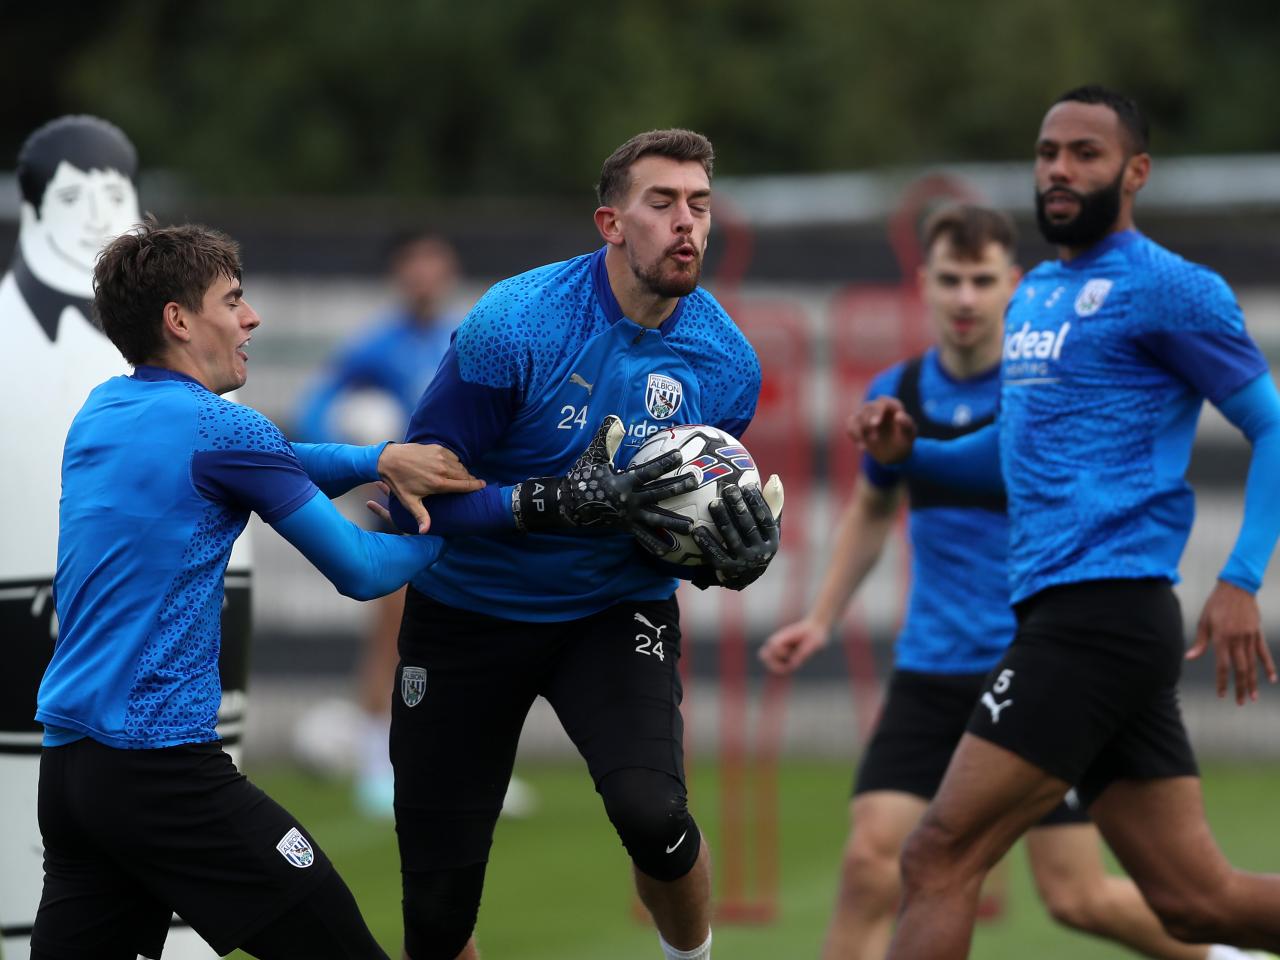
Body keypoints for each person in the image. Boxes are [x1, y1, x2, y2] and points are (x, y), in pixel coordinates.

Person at [763, 202, 1257, 960]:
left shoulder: (1053, 371)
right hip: (934, 666)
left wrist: (1242, 575)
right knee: (878, 861)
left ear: (1012, 285)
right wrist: (823, 616)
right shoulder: (904, 390)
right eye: (951, 280)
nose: (965, 298)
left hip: (1047, 653)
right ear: (924, 284)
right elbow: (873, 503)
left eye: (981, 280)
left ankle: (1225, 956)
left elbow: (1264, 423)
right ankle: (1227, 946)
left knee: (1070, 892)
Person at [853, 85, 1280, 959]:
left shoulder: (1171, 289)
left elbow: (1272, 425)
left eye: (1085, 152)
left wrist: (1239, 578)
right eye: (1049, 151)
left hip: (1101, 615)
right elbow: (1012, 448)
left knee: (937, 853)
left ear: (1136, 171)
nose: (1059, 168)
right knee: (1198, 905)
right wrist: (911, 453)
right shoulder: (1039, 291)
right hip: (1074, 617)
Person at [30, 220, 485, 960]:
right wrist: (466, 532)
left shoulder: (102, 412)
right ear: (179, 320)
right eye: (232, 300)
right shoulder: (224, 431)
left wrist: (378, 457)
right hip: (162, 773)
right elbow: (363, 571)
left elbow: (278, 457)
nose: (252, 318)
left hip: (73, 773)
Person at [380, 129, 783, 960]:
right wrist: (548, 503)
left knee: (655, 819)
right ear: (610, 221)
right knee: (437, 913)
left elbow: (680, 523)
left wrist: (721, 559)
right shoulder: (517, 323)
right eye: (662, 203)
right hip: (466, 614)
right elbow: (410, 499)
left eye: (700, 205)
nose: (686, 224)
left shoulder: (727, 361)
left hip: (610, 611)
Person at [291, 231, 541, 818]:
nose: (425, 273)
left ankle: (481, 770)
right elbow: (315, 407)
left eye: (435, 261)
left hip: (473, 505)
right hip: (403, 508)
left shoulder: (475, 333)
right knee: (394, 631)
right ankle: (380, 764)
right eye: (414, 263)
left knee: (484, 633)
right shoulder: (375, 347)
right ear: (399, 274)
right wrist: (368, 449)